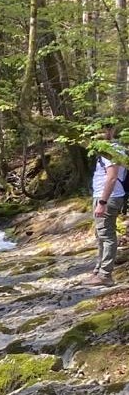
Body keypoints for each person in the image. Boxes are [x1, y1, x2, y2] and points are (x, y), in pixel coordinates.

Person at [89, 120, 125, 287]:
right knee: (100, 234)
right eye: (96, 130)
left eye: (103, 130)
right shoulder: (103, 149)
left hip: (108, 198)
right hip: (103, 196)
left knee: (107, 235)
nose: (99, 133)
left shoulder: (112, 150)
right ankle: (99, 271)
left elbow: (111, 177)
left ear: (111, 130)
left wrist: (102, 202)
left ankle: (105, 275)